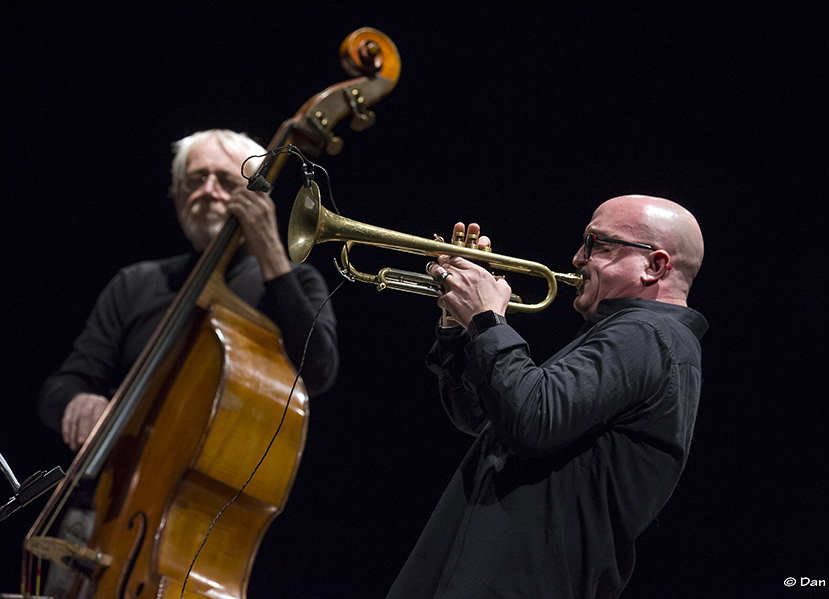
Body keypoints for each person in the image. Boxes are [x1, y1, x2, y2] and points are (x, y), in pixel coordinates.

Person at [37, 129, 339, 594]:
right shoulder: (136, 283)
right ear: (177, 196)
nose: (207, 192)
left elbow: (317, 371)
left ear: (256, 191)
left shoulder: (292, 284)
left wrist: (272, 255)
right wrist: (78, 403)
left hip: (201, 526)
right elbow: (64, 383)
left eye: (224, 179)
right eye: (194, 180)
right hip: (102, 505)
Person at [386, 195, 706, 598]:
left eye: (598, 244)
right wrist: (457, 323)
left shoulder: (649, 334)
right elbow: (483, 420)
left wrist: (486, 319)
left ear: (654, 265)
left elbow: (532, 421)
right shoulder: (628, 336)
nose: (577, 258)